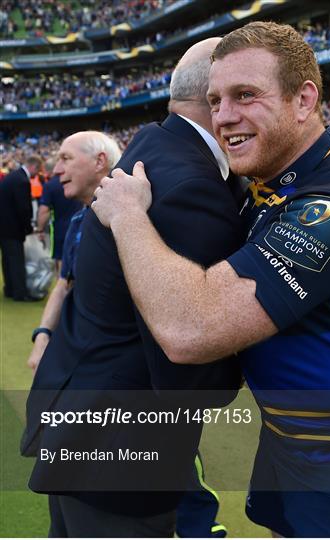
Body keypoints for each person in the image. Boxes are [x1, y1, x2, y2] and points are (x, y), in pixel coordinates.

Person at [92, 21, 330, 538]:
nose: (223, 117)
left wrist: (129, 215)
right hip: (289, 440)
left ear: (304, 100)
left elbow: (190, 329)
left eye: (245, 95)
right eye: (216, 99)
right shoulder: (277, 186)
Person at [22, 38, 242, 538]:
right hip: (119, 450)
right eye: (246, 92)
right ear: (215, 97)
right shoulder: (190, 185)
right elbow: (188, 353)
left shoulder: (154, 148)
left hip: (81, 425)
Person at [26, 131, 121, 375]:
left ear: (99, 162)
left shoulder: (133, 219)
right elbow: (63, 284)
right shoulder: (78, 221)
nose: (56, 170)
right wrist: (43, 334)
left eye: (66, 158)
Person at [0, 154, 42, 301]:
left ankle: (10, 289)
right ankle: (20, 293)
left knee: (7, 259)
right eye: (38, 170)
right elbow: (23, 208)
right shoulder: (21, 180)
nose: (37, 174)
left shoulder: (13, 176)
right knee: (16, 260)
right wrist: (28, 228)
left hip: (4, 227)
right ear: (33, 166)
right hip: (12, 228)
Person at [35, 159, 82, 275]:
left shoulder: (50, 185)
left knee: (61, 260)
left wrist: (40, 229)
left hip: (60, 228)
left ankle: (63, 288)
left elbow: (43, 211)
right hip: (80, 225)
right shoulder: (77, 180)